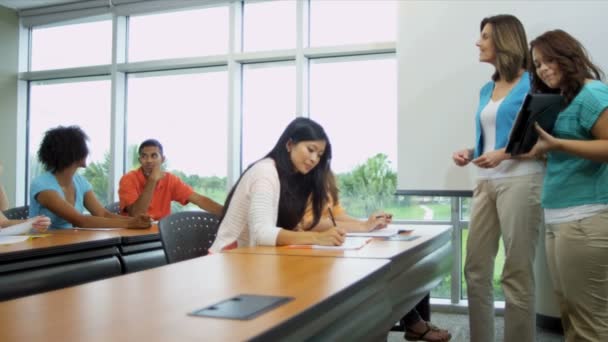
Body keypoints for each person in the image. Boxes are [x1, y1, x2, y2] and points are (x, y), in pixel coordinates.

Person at [451, 15, 544, 342]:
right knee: (475, 270)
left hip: (521, 180)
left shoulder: (534, 83)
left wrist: (502, 154)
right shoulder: (486, 88)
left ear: (504, 40)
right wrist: (469, 150)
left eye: (486, 36)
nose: (478, 42)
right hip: (484, 182)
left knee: (516, 273)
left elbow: (541, 140)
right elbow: (489, 136)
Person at [299, 171, 451, 342]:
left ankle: (415, 323)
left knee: (407, 264)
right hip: (311, 249)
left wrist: (369, 224)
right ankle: (415, 324)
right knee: (383, 276)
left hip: (333, 245)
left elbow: (337, 215)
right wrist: (363, 227)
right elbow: (309, 223)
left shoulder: (325, 175)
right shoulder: (300, 177)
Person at [526, 29, 608, 341]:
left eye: (549, 60)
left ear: (568, 57)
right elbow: (567, 150)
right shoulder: (562, 100)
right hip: (560, 217)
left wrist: (557, 145)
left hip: (586, 217)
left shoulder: (593, 94)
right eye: (537, 64)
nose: (543, 69)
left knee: (590, 323)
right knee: (571, 315)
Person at [209, 117, 346, 252]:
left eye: (319, 155)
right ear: (290, 144)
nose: (314, 159)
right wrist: (317, 238)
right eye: (310, 150)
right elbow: (261, 234)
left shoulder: (289, 179)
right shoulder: (265, 172)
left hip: (255, 259)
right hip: (227, 261)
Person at [30, 126, 151, 229]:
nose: (87, 152)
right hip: (43, 248)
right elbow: (80, 221)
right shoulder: (42, 185)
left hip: (69, 243)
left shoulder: (80, 182)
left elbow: (102, 214)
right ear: (73, 153)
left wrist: (136, 221)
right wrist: (131, 223)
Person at [118, 139, 223, 221]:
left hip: (159, 234)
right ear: (140, 160)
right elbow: (136, 214)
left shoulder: (170, 180)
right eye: (144, 156)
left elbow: (200, 200)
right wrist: (152, 181)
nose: (149, 161)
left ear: (162, 159)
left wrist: (230, 215)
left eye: (154, 156)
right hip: (132, 236)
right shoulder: (128, 179)